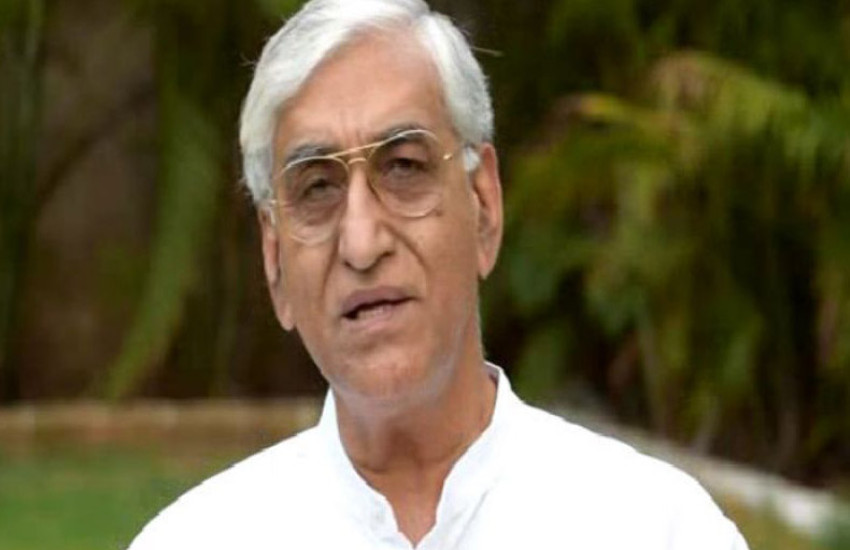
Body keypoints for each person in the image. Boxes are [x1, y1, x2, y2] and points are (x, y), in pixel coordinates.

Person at [128, 0, 749, 548]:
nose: (362, 243)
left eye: (403, 167)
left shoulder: (655, 529)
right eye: (316, 187)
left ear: (484, 207)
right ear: (275, 262)